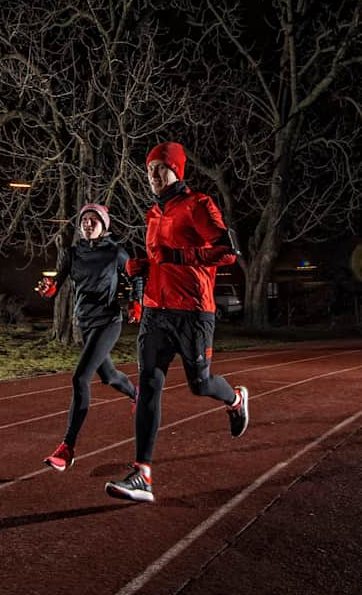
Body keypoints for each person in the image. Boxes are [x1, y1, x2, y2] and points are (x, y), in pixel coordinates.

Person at [105, 142, 249, 503]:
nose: (153, 176)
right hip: (156, 311)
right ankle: (143, 474)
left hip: (193, 311)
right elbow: (159, 259)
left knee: (199, 385)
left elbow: (227, 252)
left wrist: (180, 255)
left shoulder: (199, 205)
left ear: (177, 170)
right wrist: (143, 271)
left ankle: (234, 399)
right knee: (148, 388)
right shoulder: (152, 214)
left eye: (160, 169)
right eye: (150, 169)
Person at [38, 203, 143, 472]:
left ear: (104, 225)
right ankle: (136, 393)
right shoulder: (71, 254)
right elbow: (57, 284)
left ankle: (67, 448)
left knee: (80, 378)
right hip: (84, 322)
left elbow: (136, 275)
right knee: (107, 376)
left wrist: (136, 301)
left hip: (109, 321)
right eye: (84, 219)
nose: (87, 223)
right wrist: (49, 289)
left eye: (93, 219)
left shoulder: (115, 252)